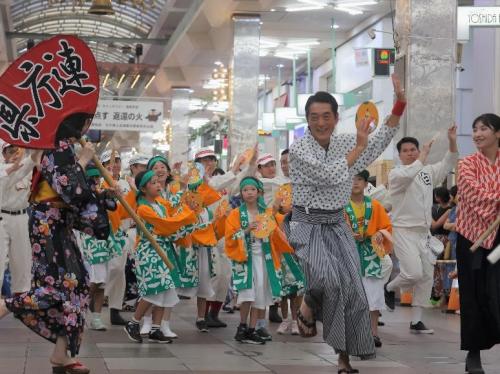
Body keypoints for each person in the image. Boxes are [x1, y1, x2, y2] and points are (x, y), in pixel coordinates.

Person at [288, 74, 405, 373]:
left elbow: (377, 143)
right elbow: (329, 175)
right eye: (314, 117)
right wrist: (358, 147)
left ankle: (344, 359)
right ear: (307, 119)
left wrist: (399, 104)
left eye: (326, 116)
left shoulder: (343, 141)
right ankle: (309, 300)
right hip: (307, 223)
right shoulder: (300, 149)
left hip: (337, 224)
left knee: (352, 290)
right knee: (327, 279)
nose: (320, 122)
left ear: (337, 118)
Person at [0, 115, 113, 374]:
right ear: (77, 125)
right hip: (47, 223)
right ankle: (7, 304)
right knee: (58, 287)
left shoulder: (61, 147)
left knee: (78, 286)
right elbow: (71, 190)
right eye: (86, 122)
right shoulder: (57, 147)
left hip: (57, 223)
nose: (88, 127)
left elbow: (77, 192)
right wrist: (83, 160)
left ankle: (61, 354)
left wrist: (103, 195)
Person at [385, 125, 458, 334]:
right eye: (405, 150)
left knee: (426, 275)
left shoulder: (427, 172)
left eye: (413, 149)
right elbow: (410, 174)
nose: (410, 153)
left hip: (424, 233)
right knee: (413, 273)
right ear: (399, 155)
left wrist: (451, 140)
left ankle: (416, 320)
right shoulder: (396, 174)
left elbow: (448, 162)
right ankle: (387, 288)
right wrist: (423, 157)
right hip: (404, 230)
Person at [124, 170, 198, 344]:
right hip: (149, 251)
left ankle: (155, 329)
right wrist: (188, 213)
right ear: (143, 189)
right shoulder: (143, 209)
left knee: (165, 290)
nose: (158, 185)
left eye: (159, 182)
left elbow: (173, 218)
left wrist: (186, 199)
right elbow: (166, 225)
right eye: (153, 183)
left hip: (164, 249)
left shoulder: (161, 204)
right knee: (155, 288)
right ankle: (133, 323)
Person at [455, 113, 500, 374]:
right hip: (471, 239)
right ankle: (473, 353)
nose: (478, 133)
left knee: (495, 288)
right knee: (473, 293)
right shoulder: (467, 163)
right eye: (475, 129)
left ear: (497, 134)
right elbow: (472, 193)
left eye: (484, 128)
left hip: (498, 244)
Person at [225, 176, 293, 345]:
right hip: (245, 259)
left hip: (263, 258)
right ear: (241, 193)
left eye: (252, 189)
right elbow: (230, 238)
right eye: (245, 190)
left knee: (259, 295)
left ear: (258, 192)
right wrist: (246, 230)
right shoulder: (235, 214)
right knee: (247, 294)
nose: (249, 193)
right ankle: (242, 327)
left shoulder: (265, 213)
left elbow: (275, 231)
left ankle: (252, 329)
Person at [345, 170, 393, 348]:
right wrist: (348, 234)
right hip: (348, 254)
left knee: (374, 294)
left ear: (366, 184)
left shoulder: (375, 206)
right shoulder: (341, 206)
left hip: (371, 253)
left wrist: (380, 233)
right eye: (352, 180)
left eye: (359, 180)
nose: (355, 183)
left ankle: (373, 334)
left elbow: (387, 226)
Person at [0, 144, 38, 295]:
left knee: (22, 266)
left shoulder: (26, 167)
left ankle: (21, 306)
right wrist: (17, 166)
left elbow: (34, 159)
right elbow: (15, 172)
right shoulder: (3, 169)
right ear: (4, 154)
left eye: (18, 150)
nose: (15, 153)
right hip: (2, 218)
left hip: (21, 217)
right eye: (11, 151)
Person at [99, 150, 129, 326]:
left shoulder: (126, 183)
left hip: (121, 232)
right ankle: (98, 295)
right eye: (110, 162)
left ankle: (115, 309)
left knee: (119, 271)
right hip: (102, 233)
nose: (115, 164)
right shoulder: (100, 183)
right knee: (109, 269)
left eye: (117, 161)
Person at [430, 186, 452, 306]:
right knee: (435, 268)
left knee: (442, 267)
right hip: (435, 240)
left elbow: (435, 225)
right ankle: (437, 294)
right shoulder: (437, 208)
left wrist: (428, 216)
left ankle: (444, 295)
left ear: (439, 197)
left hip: (443, 240)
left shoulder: (449, 210)